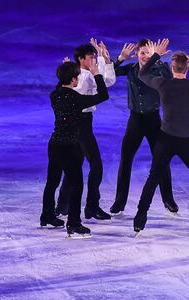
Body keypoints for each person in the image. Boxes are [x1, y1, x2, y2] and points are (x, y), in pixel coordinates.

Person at [133, 39, 189, 232]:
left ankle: (140, 216)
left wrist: (156, 55)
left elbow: (141, 74)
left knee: (153, 177)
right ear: (187, 67)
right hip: (188, 141)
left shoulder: (163, 84)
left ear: (171, 66)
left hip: (166, 139)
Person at [109, 39, 178, 215]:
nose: (145, 56)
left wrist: (158, 58)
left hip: (153, 120)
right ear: (137, 54)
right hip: (135, 121)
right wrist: (120, 58)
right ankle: (119, 202)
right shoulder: (131, 70)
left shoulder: (159, 69)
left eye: (148, 52)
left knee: (161, 160)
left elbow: (171, 78)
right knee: (126, 159)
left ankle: (168, 199)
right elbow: (110, 73)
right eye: (142, 53)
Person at [41, 60, 109, 237]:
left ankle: (47, 215)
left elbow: (62, 85)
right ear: (72, 79)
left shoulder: (55, 95)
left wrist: (66, 69)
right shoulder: (75, 98)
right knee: (77, 184)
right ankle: (73, 223)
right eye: (76, 76)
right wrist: (97, 75)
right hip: (69, 146)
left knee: (52, 181)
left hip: (54, 144)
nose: (79, 79)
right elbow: (103, 96)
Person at [55, 38, 116, 220]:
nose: (94, 60)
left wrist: (105, 60)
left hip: (81, 123)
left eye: (94, 57)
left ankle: (62, 205)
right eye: (91, 57)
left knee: (75, 164)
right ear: (81, 59)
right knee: (95, 165)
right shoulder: (84, 76)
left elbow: (105, 80)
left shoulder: (80, 74)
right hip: (81, 124)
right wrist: (105, 62)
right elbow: (107, 83)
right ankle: (91, 206)